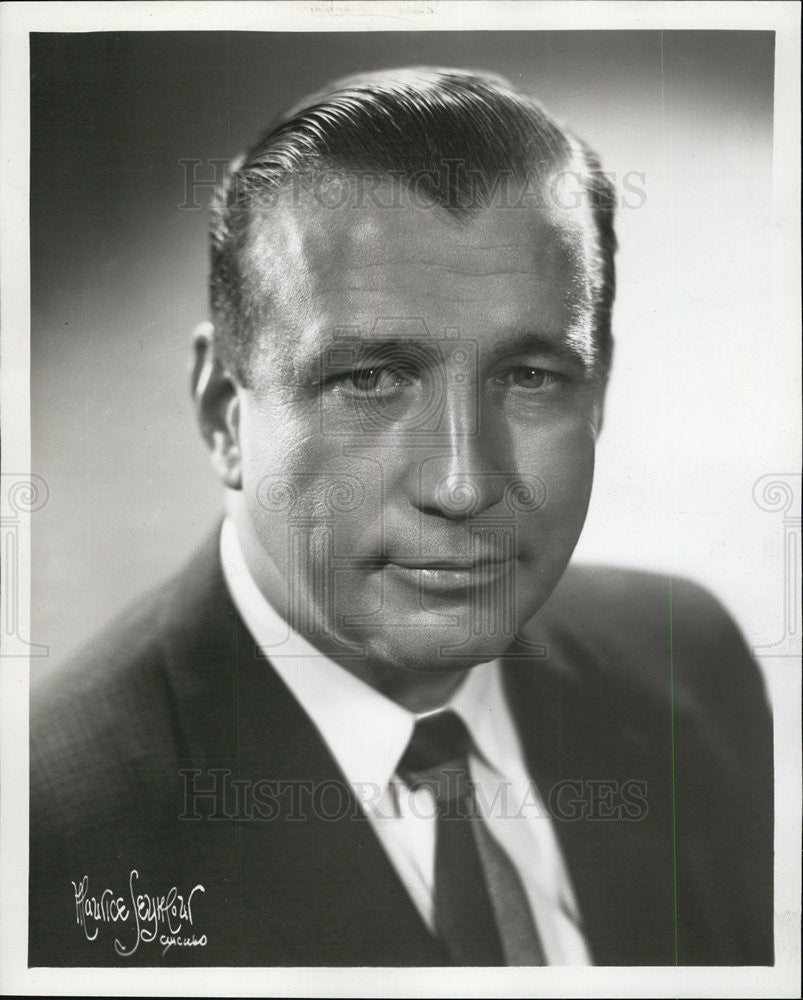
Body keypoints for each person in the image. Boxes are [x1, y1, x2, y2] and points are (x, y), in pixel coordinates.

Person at [29, 67, 773, 967]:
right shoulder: (42, 839)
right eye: (369, 380)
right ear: (224, 411)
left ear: (600, 391)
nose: (462, 486)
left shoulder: (683, 662)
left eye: (529, 377)